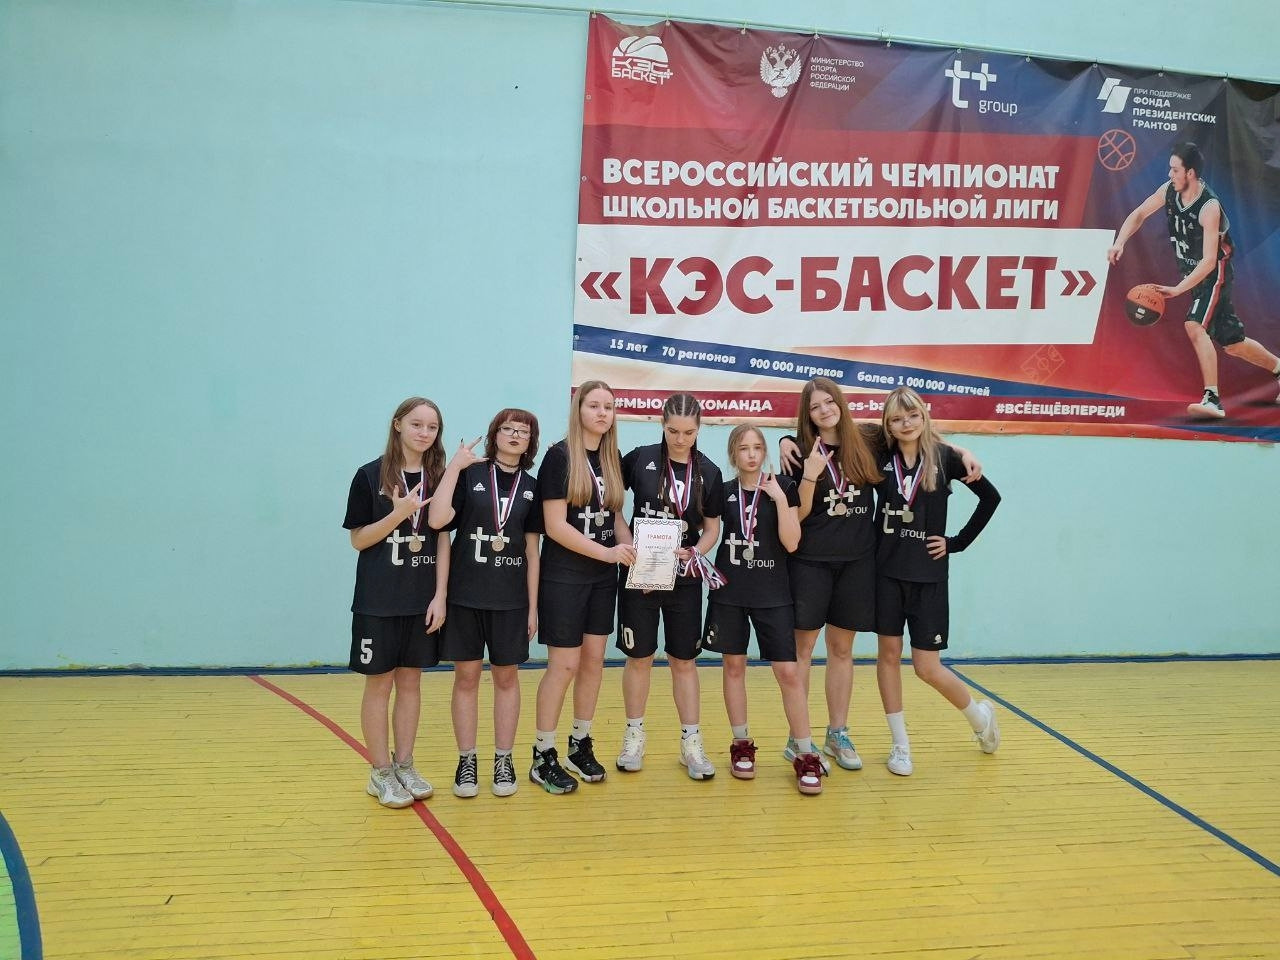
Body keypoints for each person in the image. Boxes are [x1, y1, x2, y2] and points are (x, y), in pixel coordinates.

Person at [777, 379, 983, 776]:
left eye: (829, 402)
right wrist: (800, 459)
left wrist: (961, 451)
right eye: (816, 406)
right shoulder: (798, 452)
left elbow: (915, 435)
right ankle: (797, 739)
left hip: (858, 563)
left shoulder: (867, 439)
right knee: (803, 650)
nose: (825, 410)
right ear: (807, 414)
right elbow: (795, 515)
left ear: (840, 403)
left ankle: (837, 733)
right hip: (810, 563)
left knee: (841, 650)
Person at [873, 387, 1001, 777]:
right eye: (897, 419)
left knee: (927, 667)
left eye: (912, 415)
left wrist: (956, 542)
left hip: (928, 578)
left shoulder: (945, 458)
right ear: (888, 425)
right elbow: (839, 432)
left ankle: (980, 718)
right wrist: (788, 440)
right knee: (888, 656)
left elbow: (991, 498)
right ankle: (900, 745)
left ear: (924, 416)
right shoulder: (880, 455)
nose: (906, 424)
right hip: (885, 574)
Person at [1107, 141, 1280, 418]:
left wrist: (1178, 289)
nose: (1169, 174)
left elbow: (1209, 261)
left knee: (1194, 325)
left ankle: (1212, 399)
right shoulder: (1168, 191)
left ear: (1190, 173)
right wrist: (1120, 242)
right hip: (1193, 275)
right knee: (1233, 343)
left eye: (1175, 170)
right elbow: (1139, 213)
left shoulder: (1209, 207)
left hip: (1215, 273)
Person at [702, 425, 824, 795]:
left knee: (788, 672)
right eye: (744, 448)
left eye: (757, 447)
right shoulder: (722, 491)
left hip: (773, 594)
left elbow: (792, 542)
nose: (752, 454)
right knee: (733, 667)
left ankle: (805, 752)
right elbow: (710, 534)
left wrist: (780, 500)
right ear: (733, 454)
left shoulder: (783, 487)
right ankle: (741, 744)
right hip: (730, 593)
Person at [342, 397, 450, 808]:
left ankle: (405, 765)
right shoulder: (369, 475)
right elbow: (358, 540)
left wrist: (440, 596)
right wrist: (399, 513)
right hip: (378, 601)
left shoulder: (438, 478)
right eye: (417, 424)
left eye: (432, 427)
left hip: (421, 601)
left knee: (411, 682)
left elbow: (443, 538)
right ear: (398, 425)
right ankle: (380, 771)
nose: (424, 433)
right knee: (380, 684)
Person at [429, 410, 542, 799]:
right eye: (507, 429)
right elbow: (438, 521)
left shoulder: (532, 486)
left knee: (507, 679)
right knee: (466, 678)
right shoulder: (471, 474)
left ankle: (504, 759)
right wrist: (454, 467)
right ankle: (466, 760)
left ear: (530, 442)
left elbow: (532, 551)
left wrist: (533, 607)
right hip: (465, 596)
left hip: (511, 601)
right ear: (495, 434)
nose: (515, 435)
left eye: (523, 431)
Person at [530, 381, 636, 794]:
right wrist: (608, 553)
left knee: (593, 662)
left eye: (608, 406)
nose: (602, 413)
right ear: (579, 410)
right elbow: (555, 526)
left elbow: (615, 518)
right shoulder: (559, 456)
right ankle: (543, 753)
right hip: (565, 576)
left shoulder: (612, 458)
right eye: (594, 405)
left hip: (601, 578)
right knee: (564, 665)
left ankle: (579, 743)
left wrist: (635, 553)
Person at [615, 393, 723, 781]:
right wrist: (626, 544)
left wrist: (694, 552)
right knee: (639, 658)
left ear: (699, 429)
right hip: (640, 575)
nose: (680, 439)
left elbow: (711, 529)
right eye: (673, 431)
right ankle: (633, 737)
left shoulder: (709, 472)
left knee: (684, 661)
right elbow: (613, 504)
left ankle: (691, 743)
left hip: (684, 580)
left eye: (688, 432)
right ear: (661, 424)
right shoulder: (639, 458)